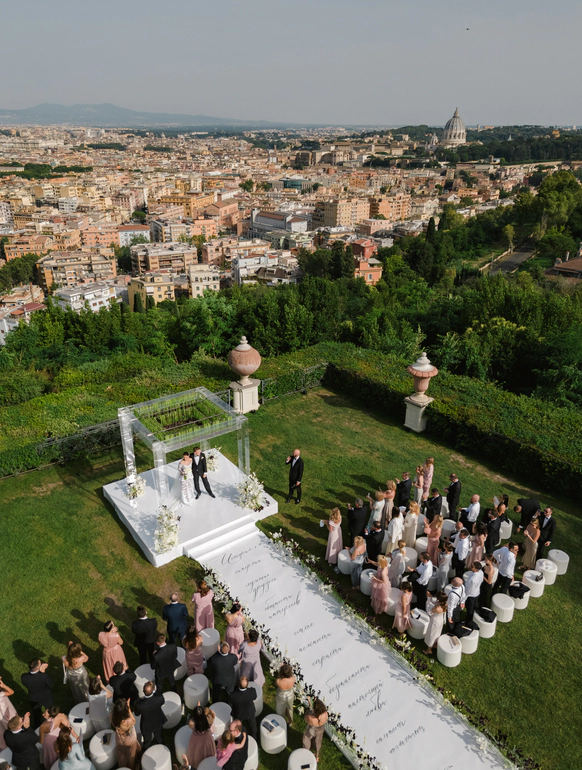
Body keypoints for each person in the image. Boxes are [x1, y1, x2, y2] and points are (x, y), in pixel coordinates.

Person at [21, 659, 53, 729]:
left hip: (33, 698)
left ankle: (37, 729)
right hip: (46, 697)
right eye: (40, 663)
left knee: (36, 716)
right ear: (38, 668)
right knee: (51, 712)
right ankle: (53, 724)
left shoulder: (24, 676)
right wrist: (42, 673)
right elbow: (51, 685)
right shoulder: (44, 676)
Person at [134, 681, 165, 749]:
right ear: (153, 690)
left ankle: (146, 750)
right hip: (157, 721)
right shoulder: (159, 698)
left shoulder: (139, 705)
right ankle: (161, 747)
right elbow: (162, 701)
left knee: (147, 740)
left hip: (146, 725)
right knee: (159, 736)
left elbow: (137, 714)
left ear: (143, 691)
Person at [111, 699, 141, 770]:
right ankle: (132, 767)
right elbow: (134, 721)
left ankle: (123, 766)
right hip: (129, 739)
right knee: (131, 754)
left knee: (122, 753)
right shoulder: (128, 720)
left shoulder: (113, 717)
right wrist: (128, 708)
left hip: (119, 737)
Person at [0, 678, 17, 750]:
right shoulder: (1, 694)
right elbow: (11, 692)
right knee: (12, 726)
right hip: (6, 714)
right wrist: (3, 685)